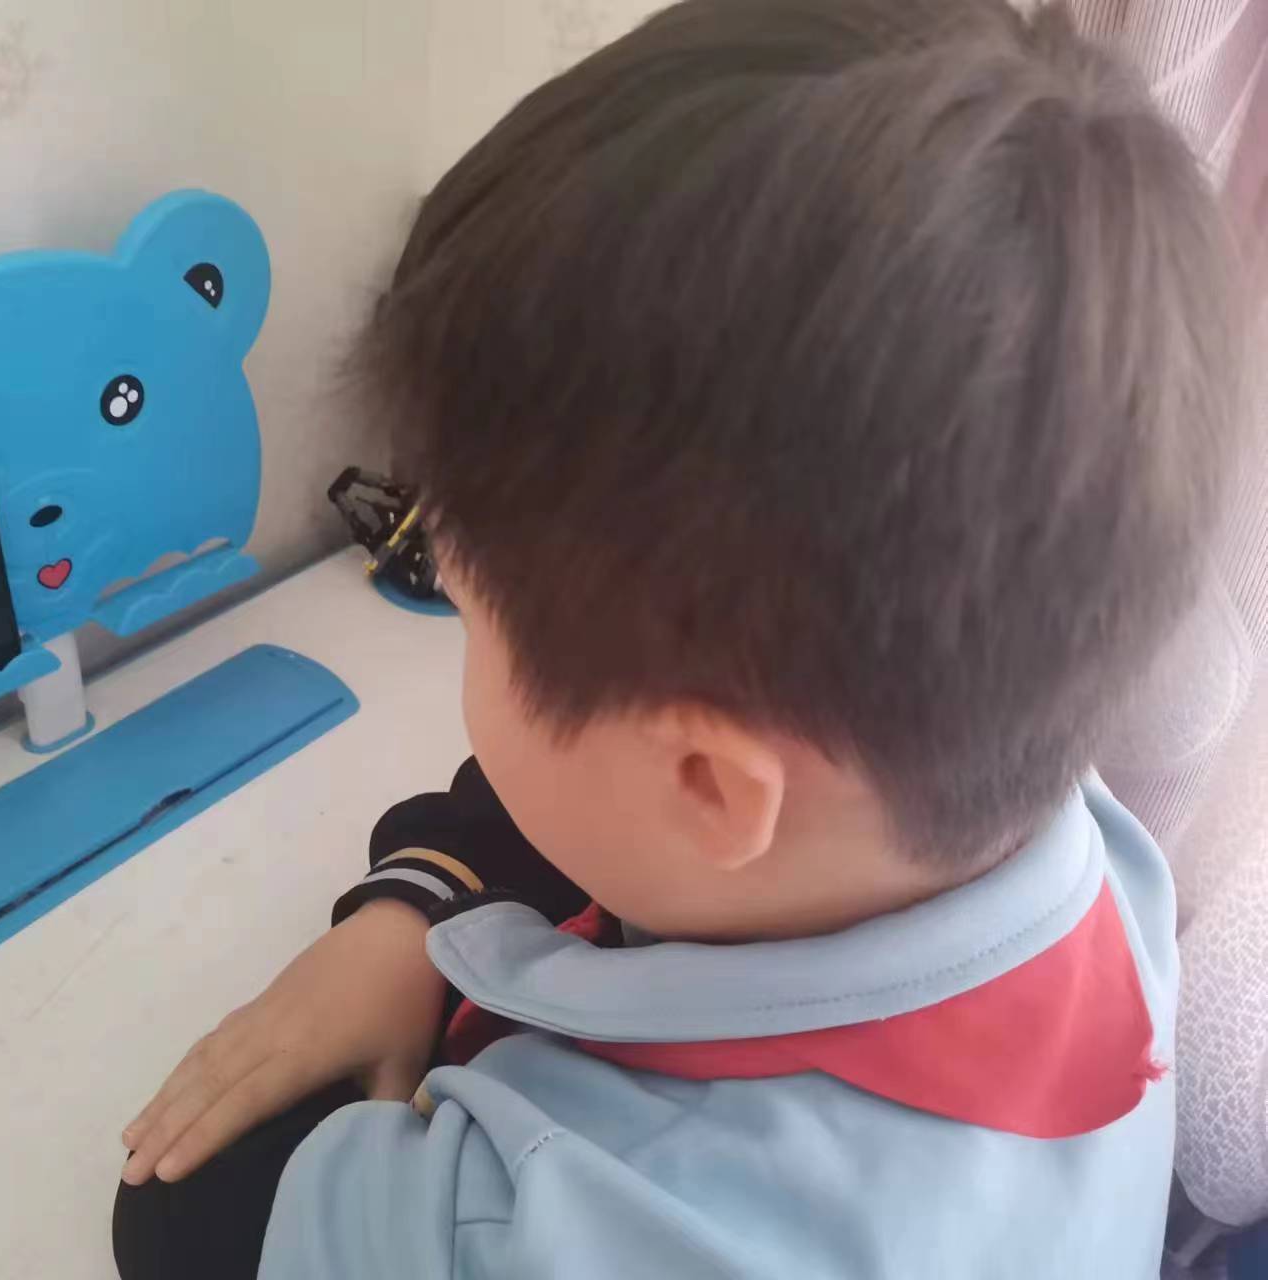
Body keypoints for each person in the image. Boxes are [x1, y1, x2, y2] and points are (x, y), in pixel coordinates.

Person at [114, 0, 1248, 1274]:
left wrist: (421, 949)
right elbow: (601, 818)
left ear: (707, 783)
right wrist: (412, 908)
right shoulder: (1060, 828)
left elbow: (194, 1219)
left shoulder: (569, 1232)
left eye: (463, 610)